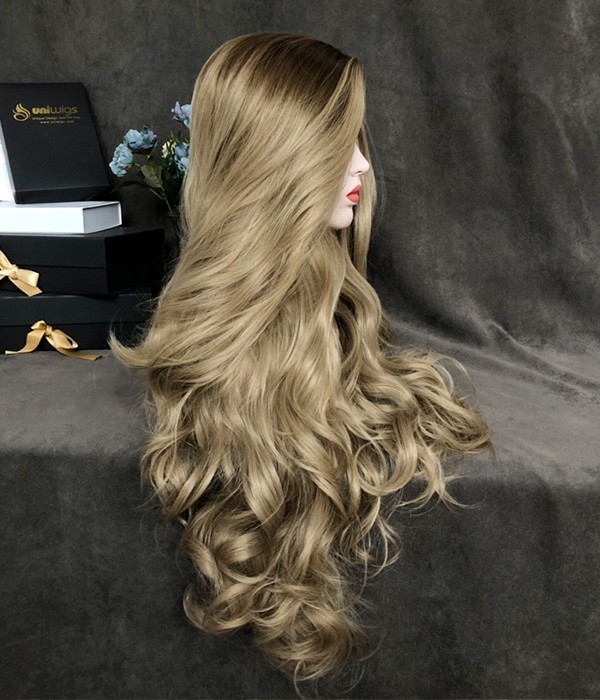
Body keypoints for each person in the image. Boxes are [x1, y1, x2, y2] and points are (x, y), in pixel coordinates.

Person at [109, 31, 494, 691]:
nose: (363, 165)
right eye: (339, 144)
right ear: (281, 159)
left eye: (357, 141)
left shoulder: (333, 309)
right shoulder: (236, 354)